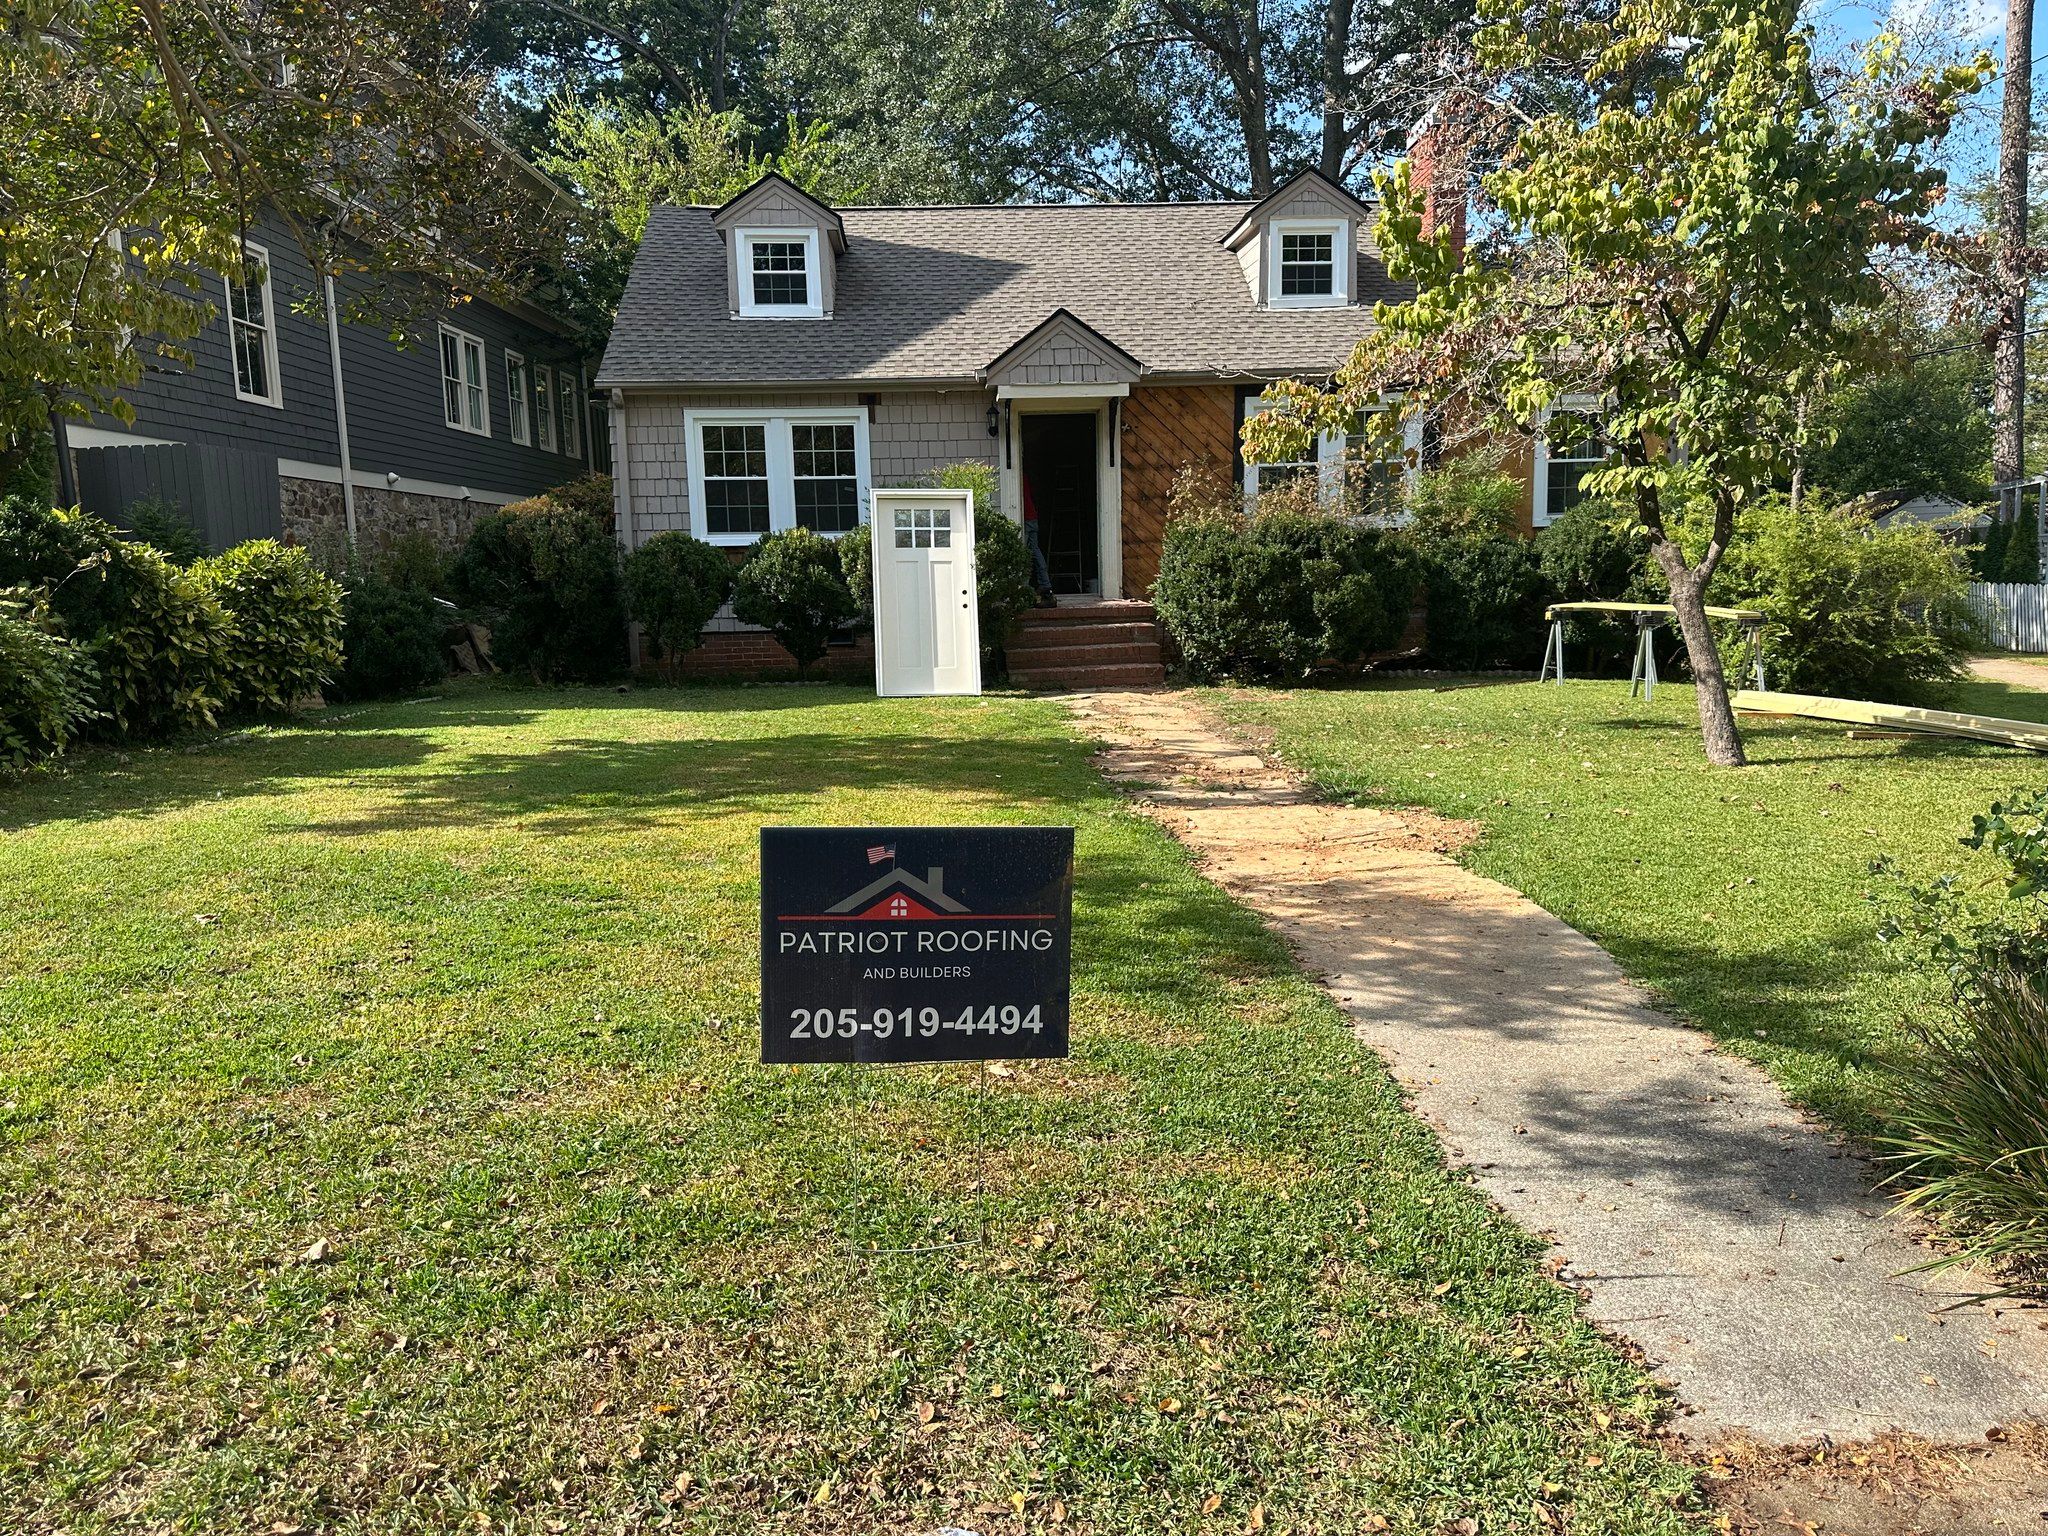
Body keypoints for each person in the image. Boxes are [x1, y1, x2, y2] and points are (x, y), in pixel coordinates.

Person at [1020, 471, 1057, 606]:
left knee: (1024, 553)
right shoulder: (1027, 477)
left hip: (1025, 518)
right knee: (1035, 551)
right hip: (1033, 517)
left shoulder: (1019, 476)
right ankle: (1045, 584)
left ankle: (1024, 586)